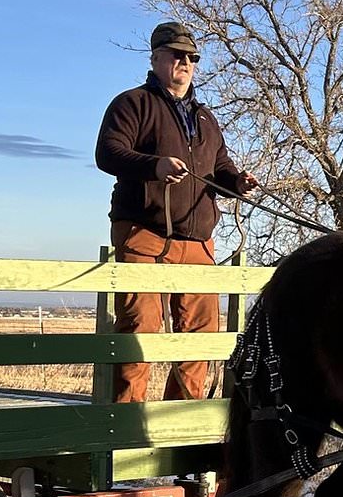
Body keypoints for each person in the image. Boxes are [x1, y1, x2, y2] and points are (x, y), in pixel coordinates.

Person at [95, 21, 258, 403]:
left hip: (197, 239)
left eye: (191, 57)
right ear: (156, 59)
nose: (185, 63)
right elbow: (108, 153)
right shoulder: (132, 103)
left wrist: (237, 183)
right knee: (141, 330)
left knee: (199, 337)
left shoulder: (205, 118)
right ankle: (127, 425)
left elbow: (220, 165)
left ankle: (181, 422)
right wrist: (155, 166)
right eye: (176, 55)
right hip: (143, 232)